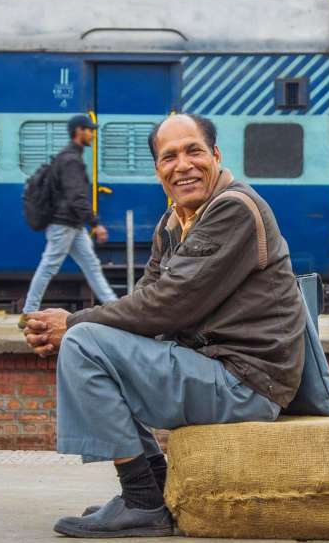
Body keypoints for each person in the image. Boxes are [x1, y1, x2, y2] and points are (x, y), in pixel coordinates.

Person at [20, 113, 306, 538]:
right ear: (159, 171)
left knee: (84, 343)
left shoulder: (234, 209)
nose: (183, 165)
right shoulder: (174, 221)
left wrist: (73, 324)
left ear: (215, 155)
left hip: (246, 383)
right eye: (169, 157)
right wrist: (66, 328)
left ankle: (141, 501)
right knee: (92, 342)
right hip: (216, 369)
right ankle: (150, 488)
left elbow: (168, 307)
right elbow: (145, 304)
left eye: (193, 151)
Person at [24, 114, 120, 313]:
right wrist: (95, 223)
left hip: (73, 225)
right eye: (90, 130)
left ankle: (114, 308)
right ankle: (29, 311)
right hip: (64, 224)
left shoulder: (68, 157)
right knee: (49, 266)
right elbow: (76, 196)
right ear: (79, 131)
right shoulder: (70, 160)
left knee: (91, 265)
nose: (93, 134)